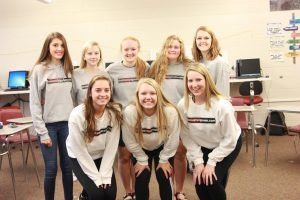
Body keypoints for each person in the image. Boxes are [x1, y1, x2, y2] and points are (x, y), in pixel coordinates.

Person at [177, 63, 242, 200]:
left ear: (207, 80)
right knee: (199, 181)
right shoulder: (183, 104)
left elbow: (229, 139)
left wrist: (212, 162)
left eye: (198, 80)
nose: (194, 84)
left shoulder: (222, 106)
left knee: (211, 180)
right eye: (190, 80)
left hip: (228, 143)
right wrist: (198, 161)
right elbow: (187, 136)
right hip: (203, 144)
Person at [29, 32, 74, 200]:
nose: (59, 48)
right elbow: (34, 103)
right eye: (55, 45)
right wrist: (42, 132)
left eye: (62, 45)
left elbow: (74, 97)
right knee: (51, 168)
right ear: (48, 47)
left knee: (68, 167)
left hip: (67, 125)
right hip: (49, 127)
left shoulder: (69, 68)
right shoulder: (39, 70)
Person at [122, 78, 181, 200]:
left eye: (152, 93)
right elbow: (129, 140)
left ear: (158, 95)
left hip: (162, 147)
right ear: (137, 95)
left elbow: (173, 139)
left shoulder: (169, 111)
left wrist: (164, 159)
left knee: (164, 175)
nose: (148, 97)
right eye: (143, 93)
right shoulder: (130, 112)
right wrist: (142, 159)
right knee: (141, 176)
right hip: (141, 148)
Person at [105, 36, 149, 200]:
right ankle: (129, 192)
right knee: (124, 157)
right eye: (126, 49)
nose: (130, 52)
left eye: (133, 49)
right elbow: (107, 96)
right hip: (122, 121)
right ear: (121, 51)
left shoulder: (146, 68)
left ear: (138, 49)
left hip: (142, 120)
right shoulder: (111, 71)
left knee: (139, 156)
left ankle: (139, 191)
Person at [148, 35, 191, 200]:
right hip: (162, 117)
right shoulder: (156, 67)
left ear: (180, 49)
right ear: (164, 48)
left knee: (180, 154)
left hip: (182, 115)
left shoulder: (188, 66)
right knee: (165, 154)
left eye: (176, 47)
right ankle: (169, 189)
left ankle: (178, 190)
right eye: (170, 47)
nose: (173, 50)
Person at [67, 75, 122, 200]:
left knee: (109, 194)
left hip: (101, 155)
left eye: (106, 90)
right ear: (90, 93)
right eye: (98, 90)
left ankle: (85, 194)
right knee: (97, 195)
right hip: (79, 156)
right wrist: (96, 177)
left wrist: (105, 175)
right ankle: (86, 195)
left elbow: (111, 147)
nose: (103, 94)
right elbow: (80, 151)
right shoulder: (77, 115)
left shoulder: (113, 113)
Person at [192, 26, 230, 96]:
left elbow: (222, 95)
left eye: (206, 38)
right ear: (195, 41)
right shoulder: (195, 62)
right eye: (199, 38)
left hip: (214, 105)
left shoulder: (221, 63)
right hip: (199, 105)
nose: (202, 41)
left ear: (212, 40)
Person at [73, 41, 111, 106]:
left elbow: (108, 98)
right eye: (89, 53)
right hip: (82, 114)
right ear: (84, 57)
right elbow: (72, 99)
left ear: (100, 56)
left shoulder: (106, 75)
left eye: (96, 53)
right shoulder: (75, 74)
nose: (93, 56)